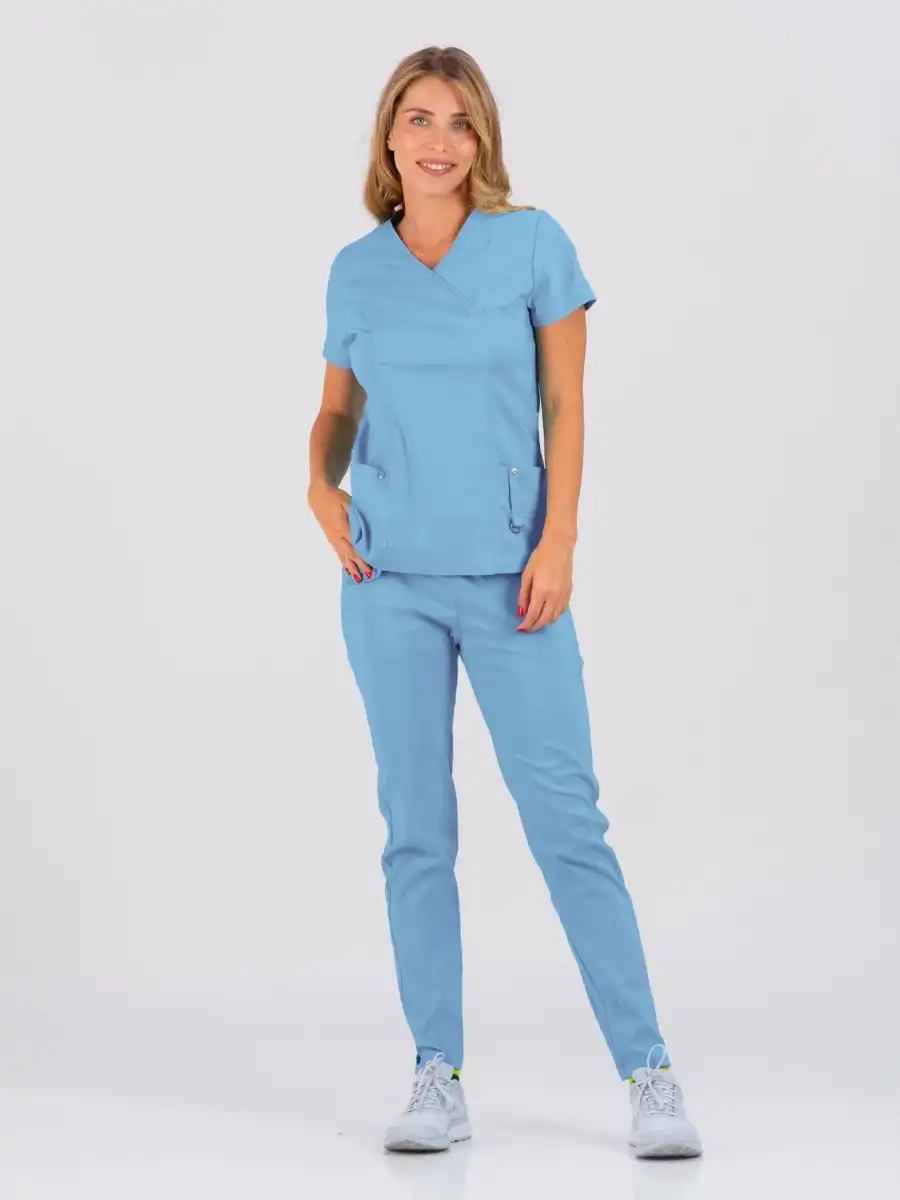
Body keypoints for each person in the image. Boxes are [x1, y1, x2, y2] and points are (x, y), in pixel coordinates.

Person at [308, 45, 703, 1159]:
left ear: (482, 138)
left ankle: (650, 1072)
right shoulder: (356, 271)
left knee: (568, 825)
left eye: (460, 121)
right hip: (387, 581)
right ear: (388, 137)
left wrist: (559, 539)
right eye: (418, 118)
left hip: (512, 579)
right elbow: (336, 410)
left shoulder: (533, 245)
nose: (438, 141)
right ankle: (437, 1073)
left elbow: (566, 401)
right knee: (415, 830)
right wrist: (317, 485)